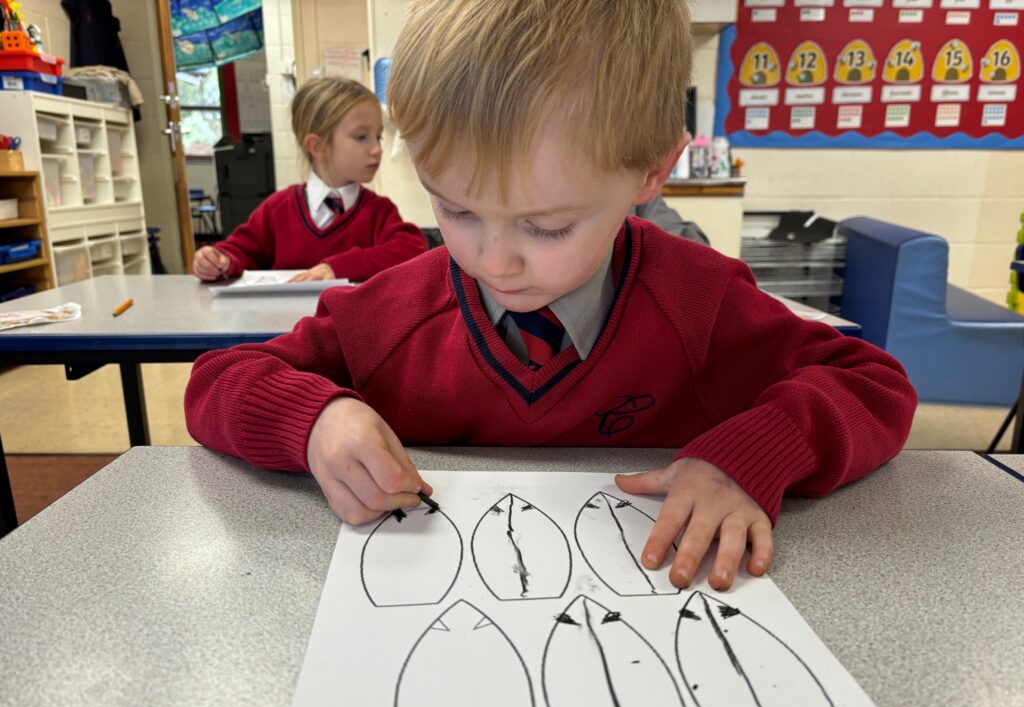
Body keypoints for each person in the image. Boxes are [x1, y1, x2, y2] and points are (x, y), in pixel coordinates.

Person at [185, 0, 917, 591]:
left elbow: (874, 383)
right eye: (456, 209)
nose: (492, 258)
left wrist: (752, 454)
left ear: (649, 174)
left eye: (547, 225)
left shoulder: (701, 300)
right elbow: (220, 382)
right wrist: (314, 421)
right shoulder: (387, 314)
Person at [191, 77, 426, 283]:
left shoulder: (379, 212)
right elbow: (237, 251)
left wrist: (338, 267)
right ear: (317, 145)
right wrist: (216, 261)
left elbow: (412, 250)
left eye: (378, 136)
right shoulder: (277, 210)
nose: (376, 149)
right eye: (361, 137)